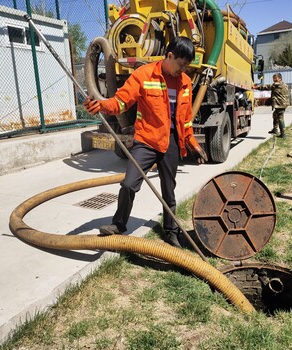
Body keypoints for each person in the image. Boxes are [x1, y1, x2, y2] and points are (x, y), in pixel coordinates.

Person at [84, 36, 207, 248]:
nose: (184, 70)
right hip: (147, 139)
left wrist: (192, 144)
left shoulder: (185, 83)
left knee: (169, 189)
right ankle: (119, 224)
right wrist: (101, 105)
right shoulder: (144, 74)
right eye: (181, 64)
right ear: (170, 56)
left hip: (171, 142)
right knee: (129, 184)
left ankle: (171, 231)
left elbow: (184, 120)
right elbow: (120, 102)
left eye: (187, 66)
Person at [255, 73, 289, 138]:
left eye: (275, 78)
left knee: (280, 118)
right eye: (273, 78)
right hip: (282, 104)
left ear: (280, 78)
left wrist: (256, 87)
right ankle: (275, 129)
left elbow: (266, 87)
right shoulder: (284, 84)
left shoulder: (277, 84)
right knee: (275, 115)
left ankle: (283, 134)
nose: (274, 79)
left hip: (280, 104)